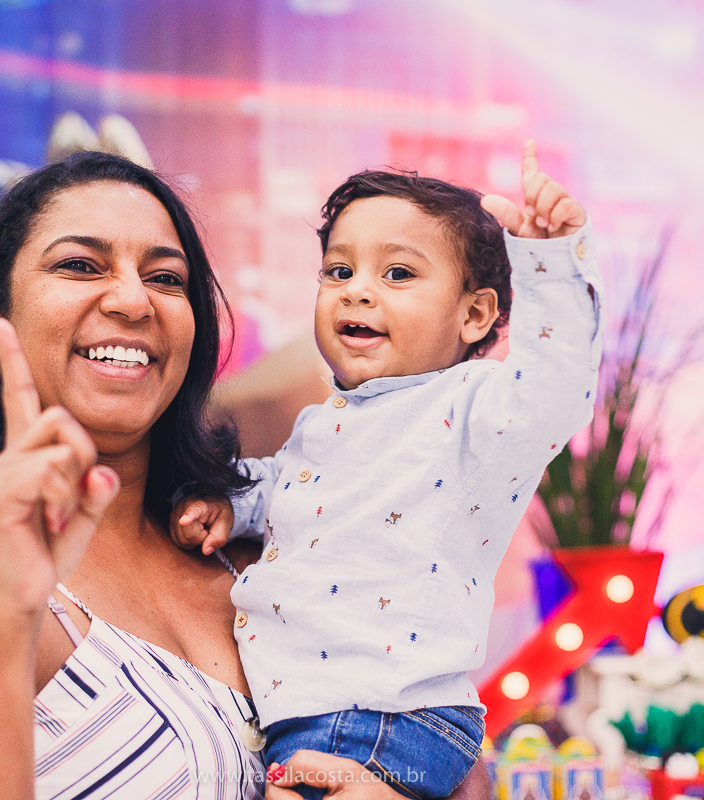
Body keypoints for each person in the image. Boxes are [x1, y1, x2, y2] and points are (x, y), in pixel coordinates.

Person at [0, 151, 491, 800]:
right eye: (80, 265)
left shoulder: (245, 542)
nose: (130, 299)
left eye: (167, 278)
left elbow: (450, 761)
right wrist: (9, 611)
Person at [170, 142, 602, 800]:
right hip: (340, 716)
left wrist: (547, 265)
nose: (358, 291)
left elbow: (556, 387)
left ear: (475, 315)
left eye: (397, 274)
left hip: (377, 719)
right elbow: (300, 490)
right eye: (338, 272)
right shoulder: (330, 421)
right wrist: (241, 506)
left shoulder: (472, 407)